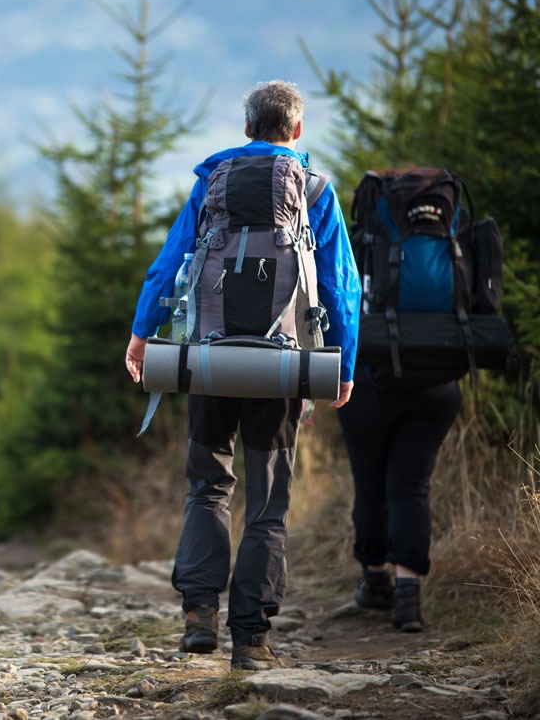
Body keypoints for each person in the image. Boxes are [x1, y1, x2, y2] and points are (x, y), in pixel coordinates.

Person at [124, 80, 361, 670]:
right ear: (297, 130)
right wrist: (344, 365)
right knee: (267, 504)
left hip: (209, 359)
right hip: (280, 369)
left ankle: (200, 614)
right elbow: (342, 286)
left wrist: (141, 331)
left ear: (247, 127)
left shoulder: (212, 183)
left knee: (207, 485)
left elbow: (171, 261)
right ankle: (250, 639)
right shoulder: (314, 190)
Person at [336, 359, 461, 633]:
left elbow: (339, 320)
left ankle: (377, 583)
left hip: (366, 387)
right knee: (412, 488)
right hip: (436, 386)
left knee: (370, 486)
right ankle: (408, 599)